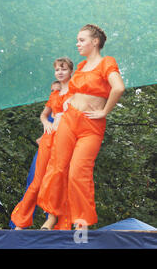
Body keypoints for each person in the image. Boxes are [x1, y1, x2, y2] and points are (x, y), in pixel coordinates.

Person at [37, 24, 125, 230]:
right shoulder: (81, 66)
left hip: (91, 126)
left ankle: (81, 222)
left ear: (95, 42)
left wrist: (104, 112)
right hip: (69, 120)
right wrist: (69, 101)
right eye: (77, 40)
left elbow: (118, 87)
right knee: (57, 168)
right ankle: (51, 217)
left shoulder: (106, 62)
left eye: (82, 40)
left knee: (78, 172)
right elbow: (76, 91)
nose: (77, 44)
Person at [10, 58, 73, 230]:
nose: (60, 72)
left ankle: (51, 220)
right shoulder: (54, 94)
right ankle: (20, 222)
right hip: (48, 138)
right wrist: (45, 123)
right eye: (57, 69)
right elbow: (44, 115)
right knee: (37, 181)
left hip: (65, 138)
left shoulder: (75, 91)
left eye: (64, 69)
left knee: (57, 177)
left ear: (70, 71)